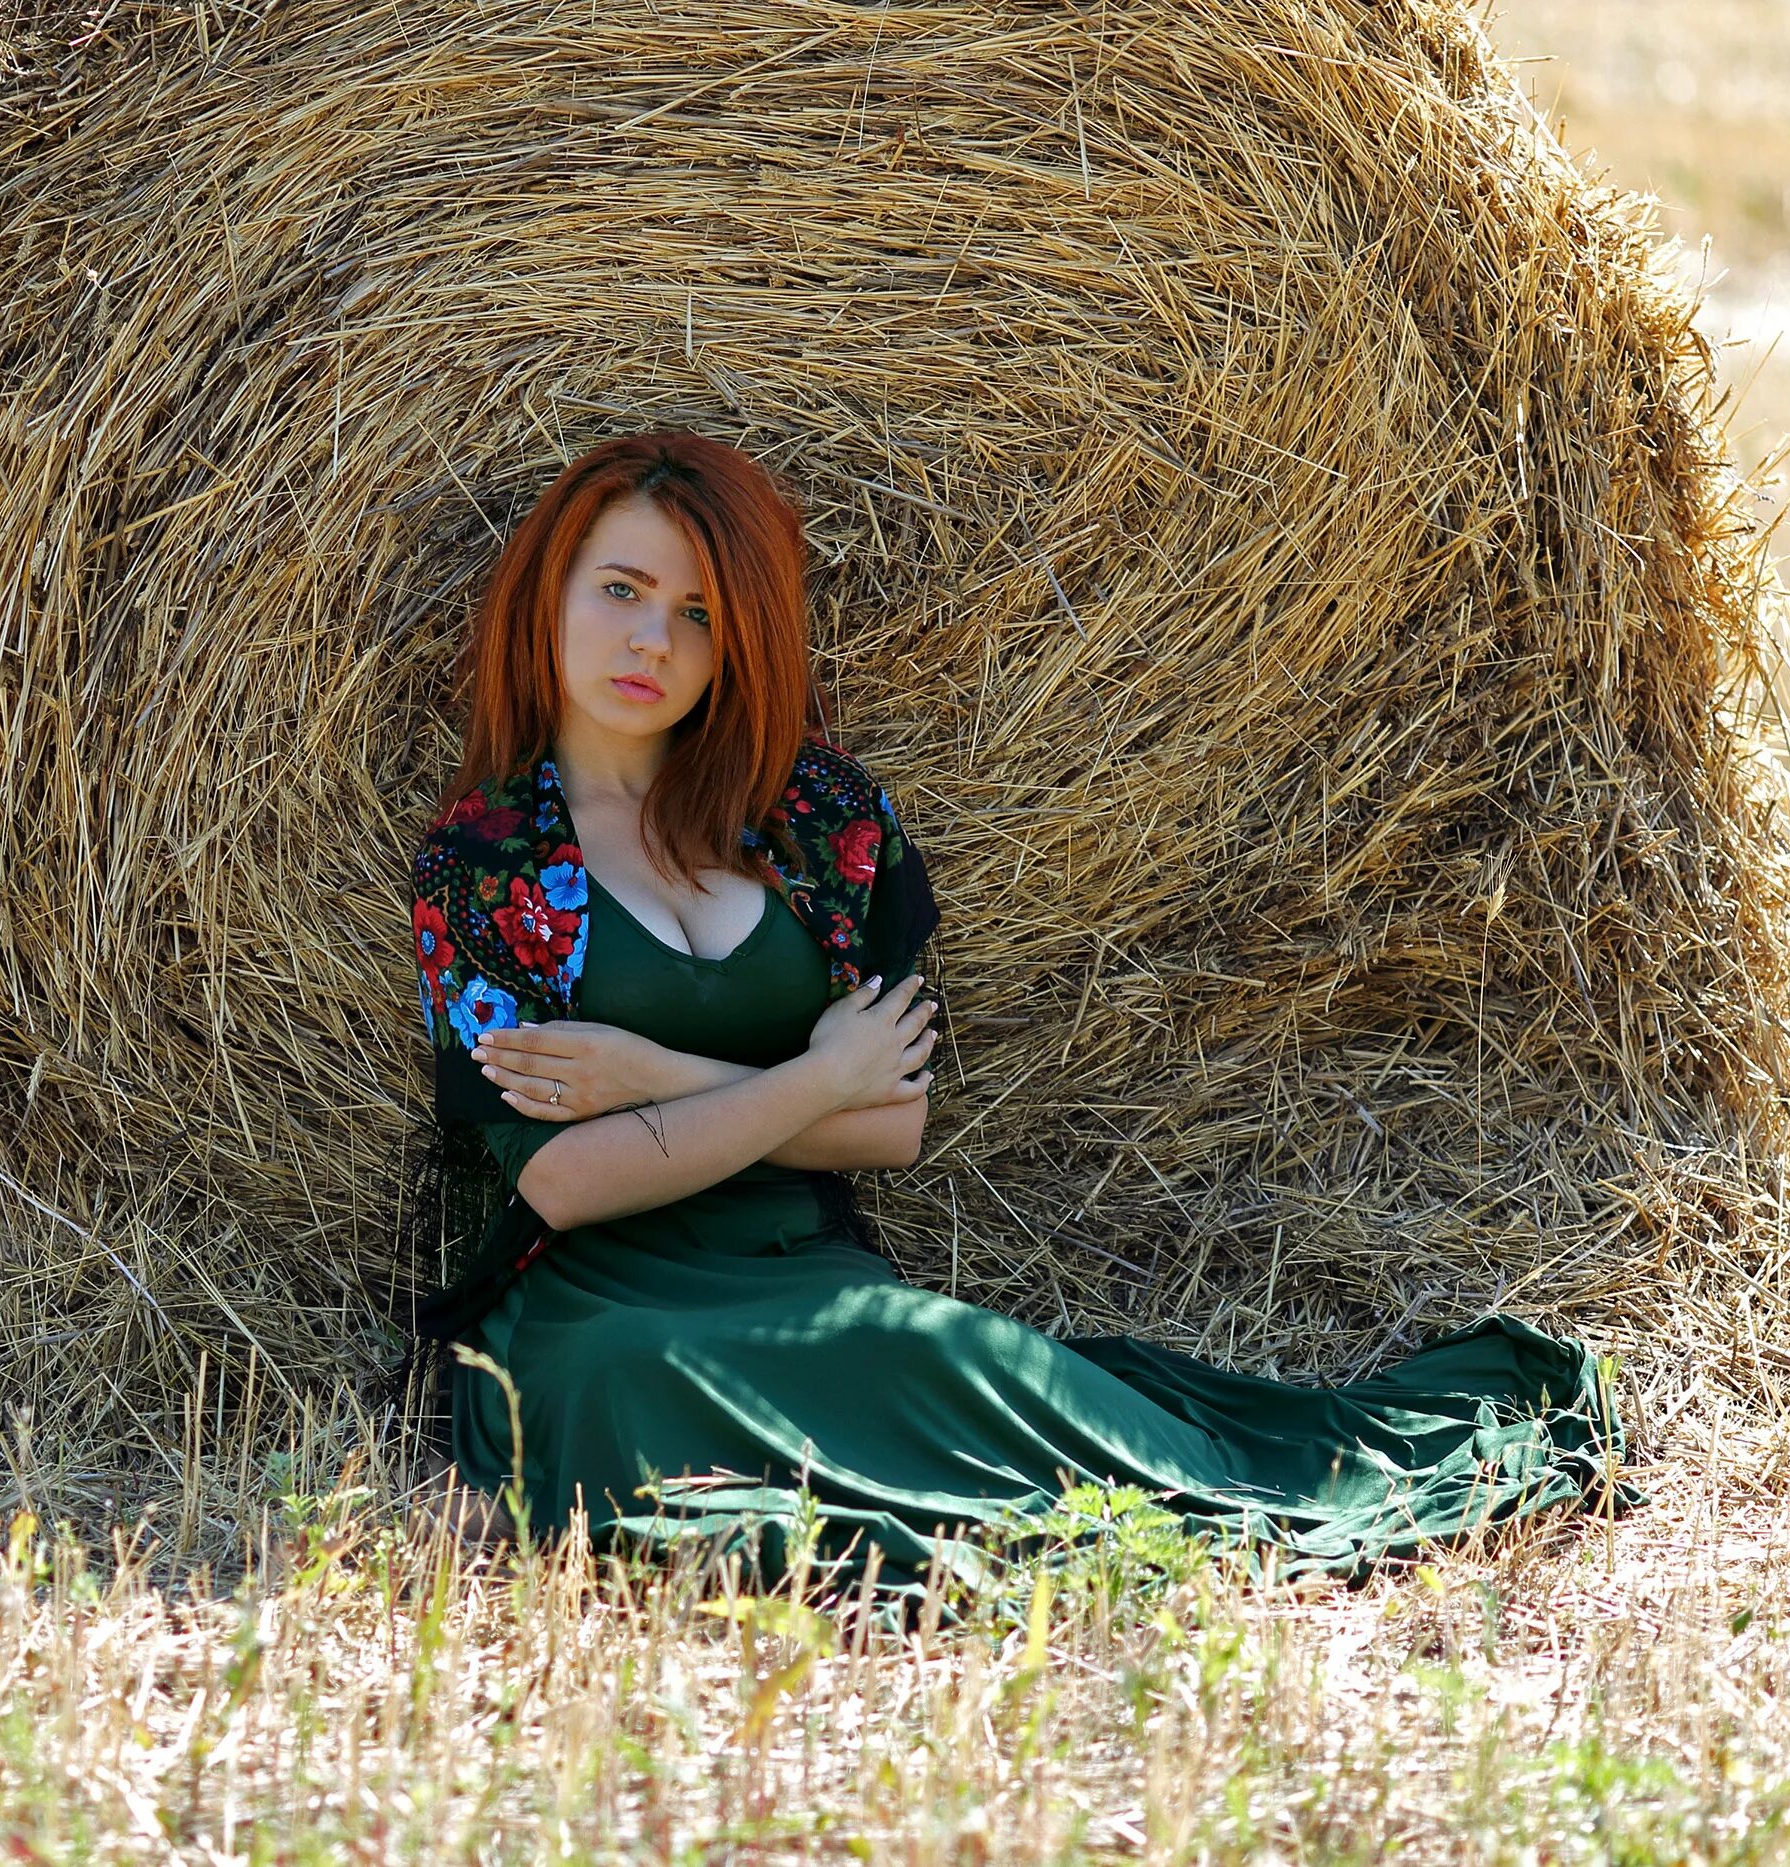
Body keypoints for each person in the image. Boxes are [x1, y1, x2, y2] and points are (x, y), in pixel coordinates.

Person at [403, 431, 1628, 1602]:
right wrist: (811, 1081)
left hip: (801, 1270)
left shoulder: (817, 824)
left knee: (1033, 1414)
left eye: (699, 613)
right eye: (620, 588)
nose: (651, 639)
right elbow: (561, 1181)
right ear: (548, 593)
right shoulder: (487, 866)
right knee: (632, 1388)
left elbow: (889, 1123)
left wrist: (654, 1069)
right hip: (594, 1305)